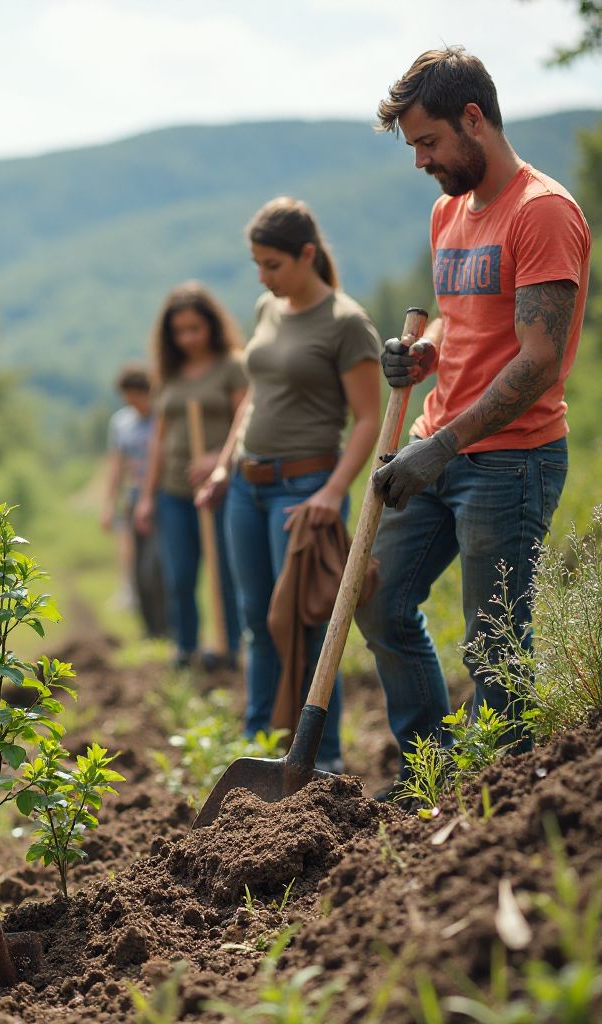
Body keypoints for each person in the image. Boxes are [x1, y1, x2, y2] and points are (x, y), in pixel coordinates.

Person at [355, 47, 591, 787]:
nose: (421, 161)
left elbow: (537, 362)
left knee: (495, 646)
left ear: (473, 118)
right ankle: (434, 768)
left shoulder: (543, 212)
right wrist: (418, 353)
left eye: (427, 142)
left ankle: (501, 799)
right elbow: (462, 323)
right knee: (376, 600)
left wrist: (442, 447)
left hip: (510, 458)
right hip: (438, 443)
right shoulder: (448, 211)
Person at [197, 197, 382, 770]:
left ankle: (320, 758)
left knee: (303, 621)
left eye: (273, 264)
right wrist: (226, 463)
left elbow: (370, 420)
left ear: (307, 255)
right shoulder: (265, 310)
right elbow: (255, 394)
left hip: (303, 490)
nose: (263, 277)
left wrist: (332, 491)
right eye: (257, 264)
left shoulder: (346, 324)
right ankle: (260, 749)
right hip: (248, 490)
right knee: (256, 619)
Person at [134, 282, 247, 669]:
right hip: (175, 492)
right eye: (179, 331)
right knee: (179, 575)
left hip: (221, 489)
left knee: (225, 573)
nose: (188, 339)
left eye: (195, 329)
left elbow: (244, 423)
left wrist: (219, 460)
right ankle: (186, 649)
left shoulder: (233, 366)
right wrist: (147, 495)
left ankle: (230, 648)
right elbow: (158, 442)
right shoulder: (168, 375)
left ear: (212, 326)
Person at [100, 362, 167, 638]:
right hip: (133, 499)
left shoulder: (162, 419)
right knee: (139, 570)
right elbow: (116, 466)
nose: (133, 401)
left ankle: (168, 628)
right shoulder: (121, 422)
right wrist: (108, 505)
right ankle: (150, 630)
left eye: (137, 394)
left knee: (158, 568)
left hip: (163, 498)